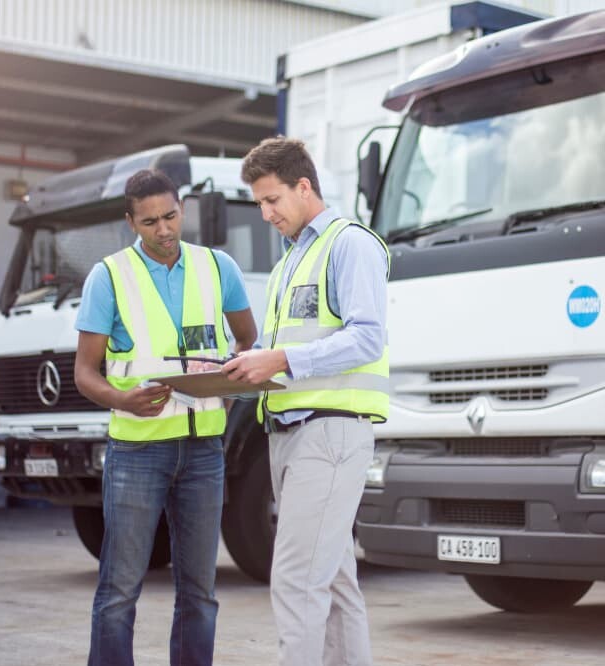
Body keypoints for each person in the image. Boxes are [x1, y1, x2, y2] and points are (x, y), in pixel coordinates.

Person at [73, 168, 257, 666]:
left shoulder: (219, 268)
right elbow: (85, 374)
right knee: (119, 589)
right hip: (137, 451)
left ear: (183, 209)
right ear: (131, 221)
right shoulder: (108, 277)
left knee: (200, 593)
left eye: (171, 216)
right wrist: (122, 400)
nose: (164, 229)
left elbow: (247, 340)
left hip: (204, 452)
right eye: (150, 221)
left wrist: (227, 385)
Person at [222, 137, 389, 666]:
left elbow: (368, 338)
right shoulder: (291, 261)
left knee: (296, 583)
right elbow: (287, 350)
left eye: (272, 200)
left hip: (330, 433)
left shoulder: (349, 244)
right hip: (293, 436)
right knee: (334, 585)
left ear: (304, 186)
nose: (266, 214)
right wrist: (243, 364)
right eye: (259, 204)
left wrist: (281, 360)